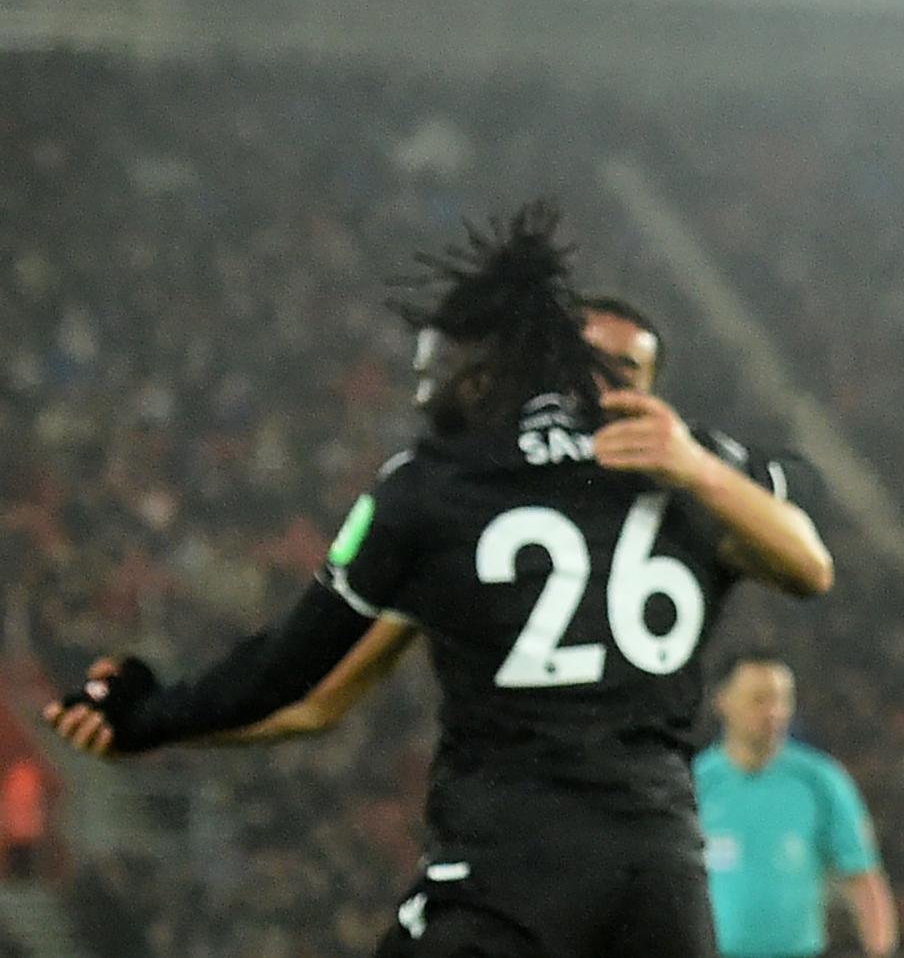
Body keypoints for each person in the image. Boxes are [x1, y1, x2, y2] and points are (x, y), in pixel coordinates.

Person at [45, 206, 835, 958]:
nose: (426, 391)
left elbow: (293, 673)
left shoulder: (443, 486)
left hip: (507, 866)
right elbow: (809, 549)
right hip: (656, 871)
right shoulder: (696, 475)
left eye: (440, 371)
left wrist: (149, 715)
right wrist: (701, 464)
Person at [204, 295, 681, 745]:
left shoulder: (688, 503)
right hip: (506, 814)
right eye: (585, 360)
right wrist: (149, 727)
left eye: (624, 369)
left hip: (633, 813)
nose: (599, 383)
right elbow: (317, 706)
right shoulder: (460, 516)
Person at [697, 652, 898, 958]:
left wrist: (881, 952)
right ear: (723, 701)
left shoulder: (820, 781)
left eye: (781, 699)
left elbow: (863, 877)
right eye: (759, 699)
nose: (773, 712)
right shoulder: (697, 782)